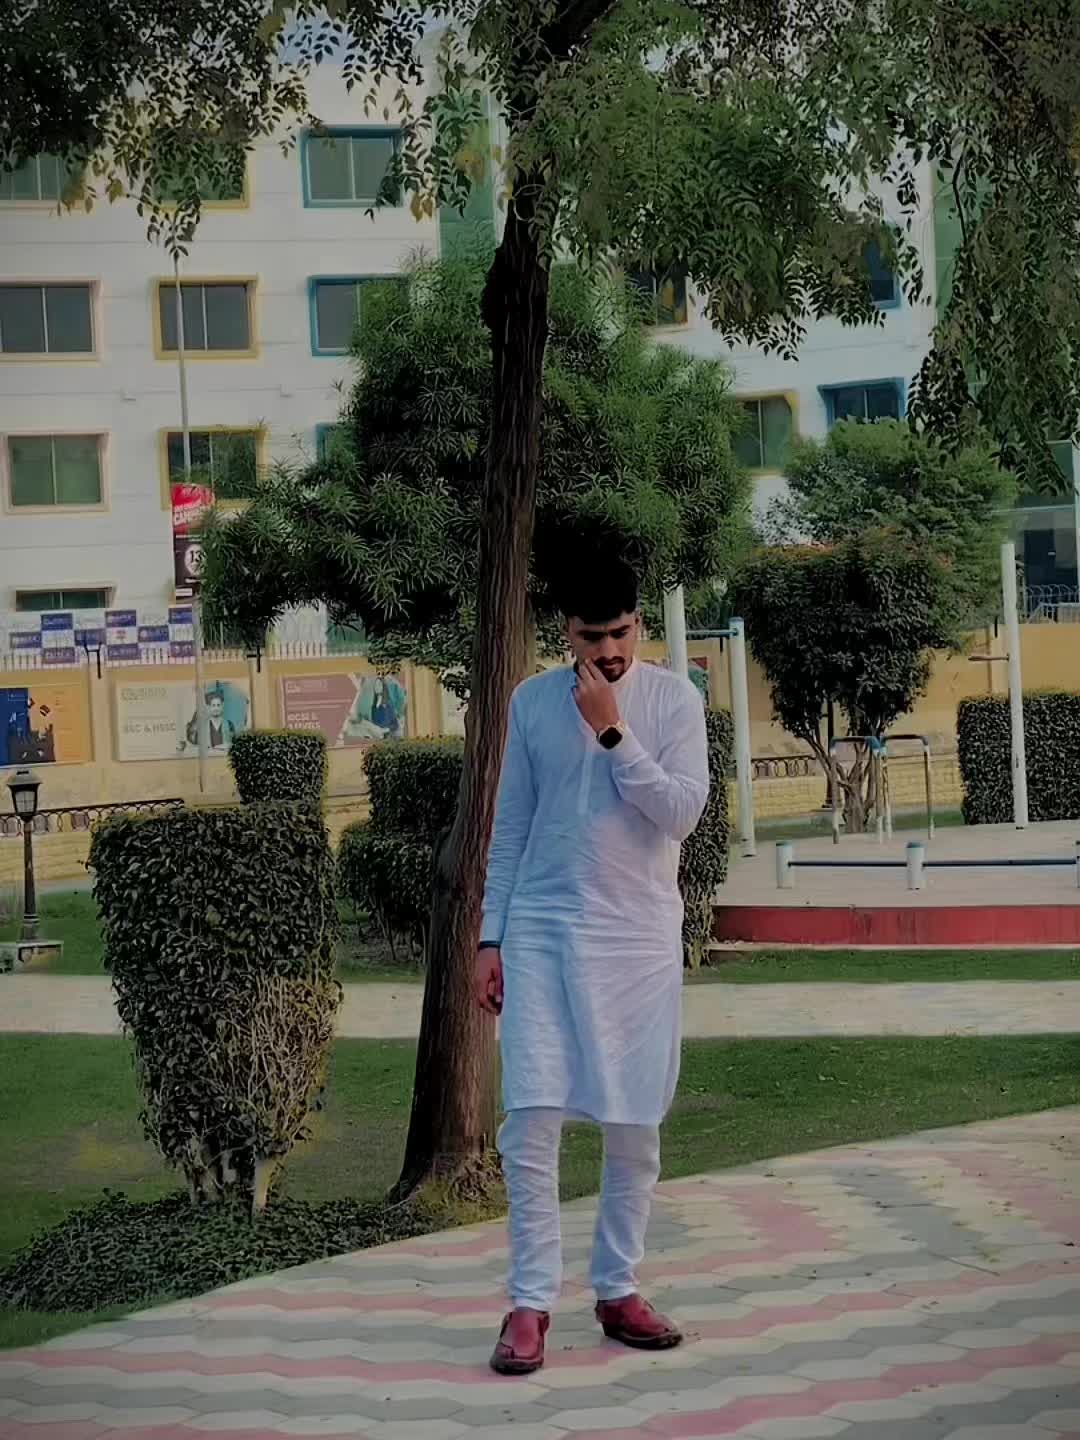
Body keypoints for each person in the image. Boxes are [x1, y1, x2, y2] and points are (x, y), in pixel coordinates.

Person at [476, 557, 710, 1376]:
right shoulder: (531, 702)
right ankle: (529, 1302)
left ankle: (617, 1288)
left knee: (634, 1125)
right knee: (530, 1122)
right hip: (542, 931)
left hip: (637, 940)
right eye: (591, 636)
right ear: (565, 632)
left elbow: (680, 813)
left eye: (620, 633)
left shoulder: (674, 701)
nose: (608, 650)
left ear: (638, 625)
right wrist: (489, 939)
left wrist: (614, 732)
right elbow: (511, 827)